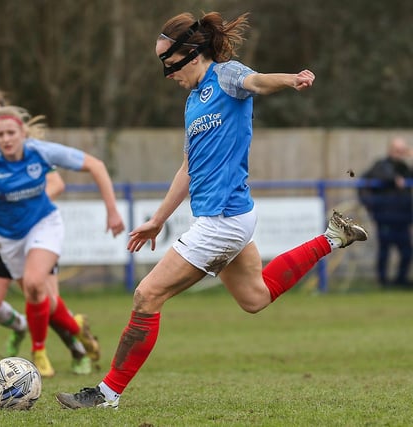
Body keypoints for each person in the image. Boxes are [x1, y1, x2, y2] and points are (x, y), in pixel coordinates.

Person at [56, 10, 368, 409]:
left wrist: (290, 79)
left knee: (145, 296)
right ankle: (332, 238)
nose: (166, 73)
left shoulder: (226, 75)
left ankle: (107, 393)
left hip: (223, 222)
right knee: (255, 298)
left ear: (190, 53)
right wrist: (157, 220)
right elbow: (188, 168)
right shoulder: (192, 103)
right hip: (227, 217)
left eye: (167, 62)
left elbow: (256, 82)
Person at [0, 105, 125, 377]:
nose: (6, 139)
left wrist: (112, 210)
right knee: (40, 296)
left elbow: (96, 165)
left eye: (11, 132)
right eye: (0, 135)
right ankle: (78, 329)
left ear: (23, 132)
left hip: (44, 225)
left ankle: (38, 352)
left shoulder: (40, 151)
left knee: (33, 282)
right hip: (8, 238)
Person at [359, 137, 413, 288]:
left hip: (403, 218)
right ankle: (383, 283)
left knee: (407, 252)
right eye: (398, 150)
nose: (400, 153)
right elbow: (370, 178)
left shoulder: (405, 168)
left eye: (403, 150)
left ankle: (400, 281)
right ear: (390, 150)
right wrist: (393, 179)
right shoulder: (381, 165)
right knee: (384, 251)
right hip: (385, 217)